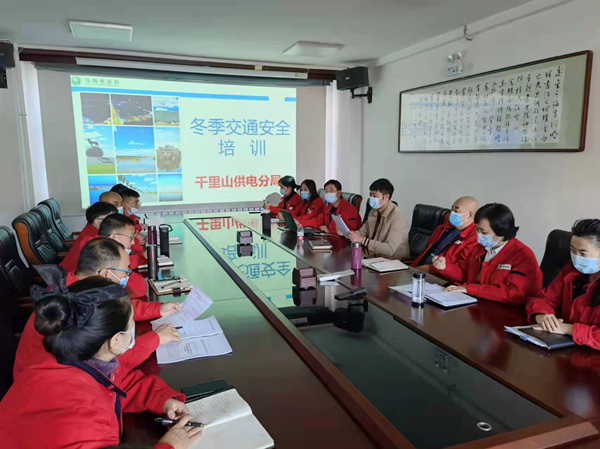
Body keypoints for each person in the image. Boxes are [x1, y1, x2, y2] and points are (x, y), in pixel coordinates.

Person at [0, 277, 203, 449]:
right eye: (132, 322)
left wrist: (161, 399)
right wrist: (169, 445)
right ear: (116, 340)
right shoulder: (85, 418)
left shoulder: (66, 362)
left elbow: (110, 387)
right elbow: (95, 400)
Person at [14, 240, 181, 380]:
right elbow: (106, 365)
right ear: (106, 274)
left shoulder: (78, 290)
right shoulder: (74, 306)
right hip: (52, 386)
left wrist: (158, 309)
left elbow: (116, 308)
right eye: (126, 271)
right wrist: (154, 339)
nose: (128, 276)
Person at [434, 203, 542, 304]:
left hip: (504, 310)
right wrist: (445, 267)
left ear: (501, 231)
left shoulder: (522, 255)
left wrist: (470, 289)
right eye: (477, 229)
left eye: (483, 232)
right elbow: (464, 273)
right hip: (476, 303)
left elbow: (515, 294)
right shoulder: (480, 248)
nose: (478, 234)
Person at [527, 219, 600, 350]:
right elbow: (544, 299)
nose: (576, 257)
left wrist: (567, 329)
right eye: (573, 250)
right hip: (564, 347)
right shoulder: (571, 270)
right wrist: (542, 316)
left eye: (583, 253)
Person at [412, 196, 479, 275]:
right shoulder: (443, 228)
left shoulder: (474, 238)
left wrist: (429, 269)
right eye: (451, 209)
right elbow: (426, 252)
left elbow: (461, 271)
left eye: (456, 211)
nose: (451, 213)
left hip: (440, 276)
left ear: (470, 215)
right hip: (419, 270)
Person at [346, 178, 409, 259]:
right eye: (370, 195)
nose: (371, 198)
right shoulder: (373, 212)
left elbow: (389, 249)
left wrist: (362, 240)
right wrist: (348, 233)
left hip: (393, 261)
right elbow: (362, 233)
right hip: (374, 257)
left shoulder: (397, 217)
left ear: (386, 197)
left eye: (375, 196)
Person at [60, 202, 118, 272]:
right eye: (112, 219)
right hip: (72, 275)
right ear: (97, 221)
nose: (117, 222)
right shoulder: (93, 240)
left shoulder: (93, 228)